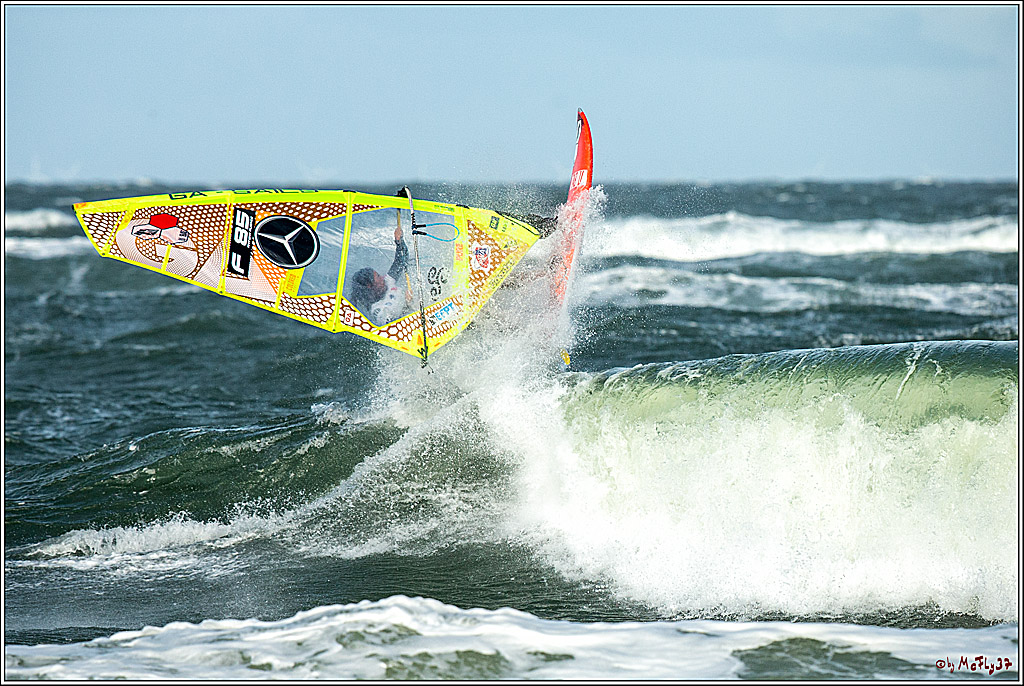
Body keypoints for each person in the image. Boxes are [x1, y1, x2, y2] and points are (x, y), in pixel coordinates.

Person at [350, 223, 412, 324]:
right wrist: (407, 305)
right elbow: (393, 327)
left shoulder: (388, 281)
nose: (382, 277)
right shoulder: (377, 310)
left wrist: (399, 241)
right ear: (370, 286)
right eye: (378, 277)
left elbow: (401, 260)